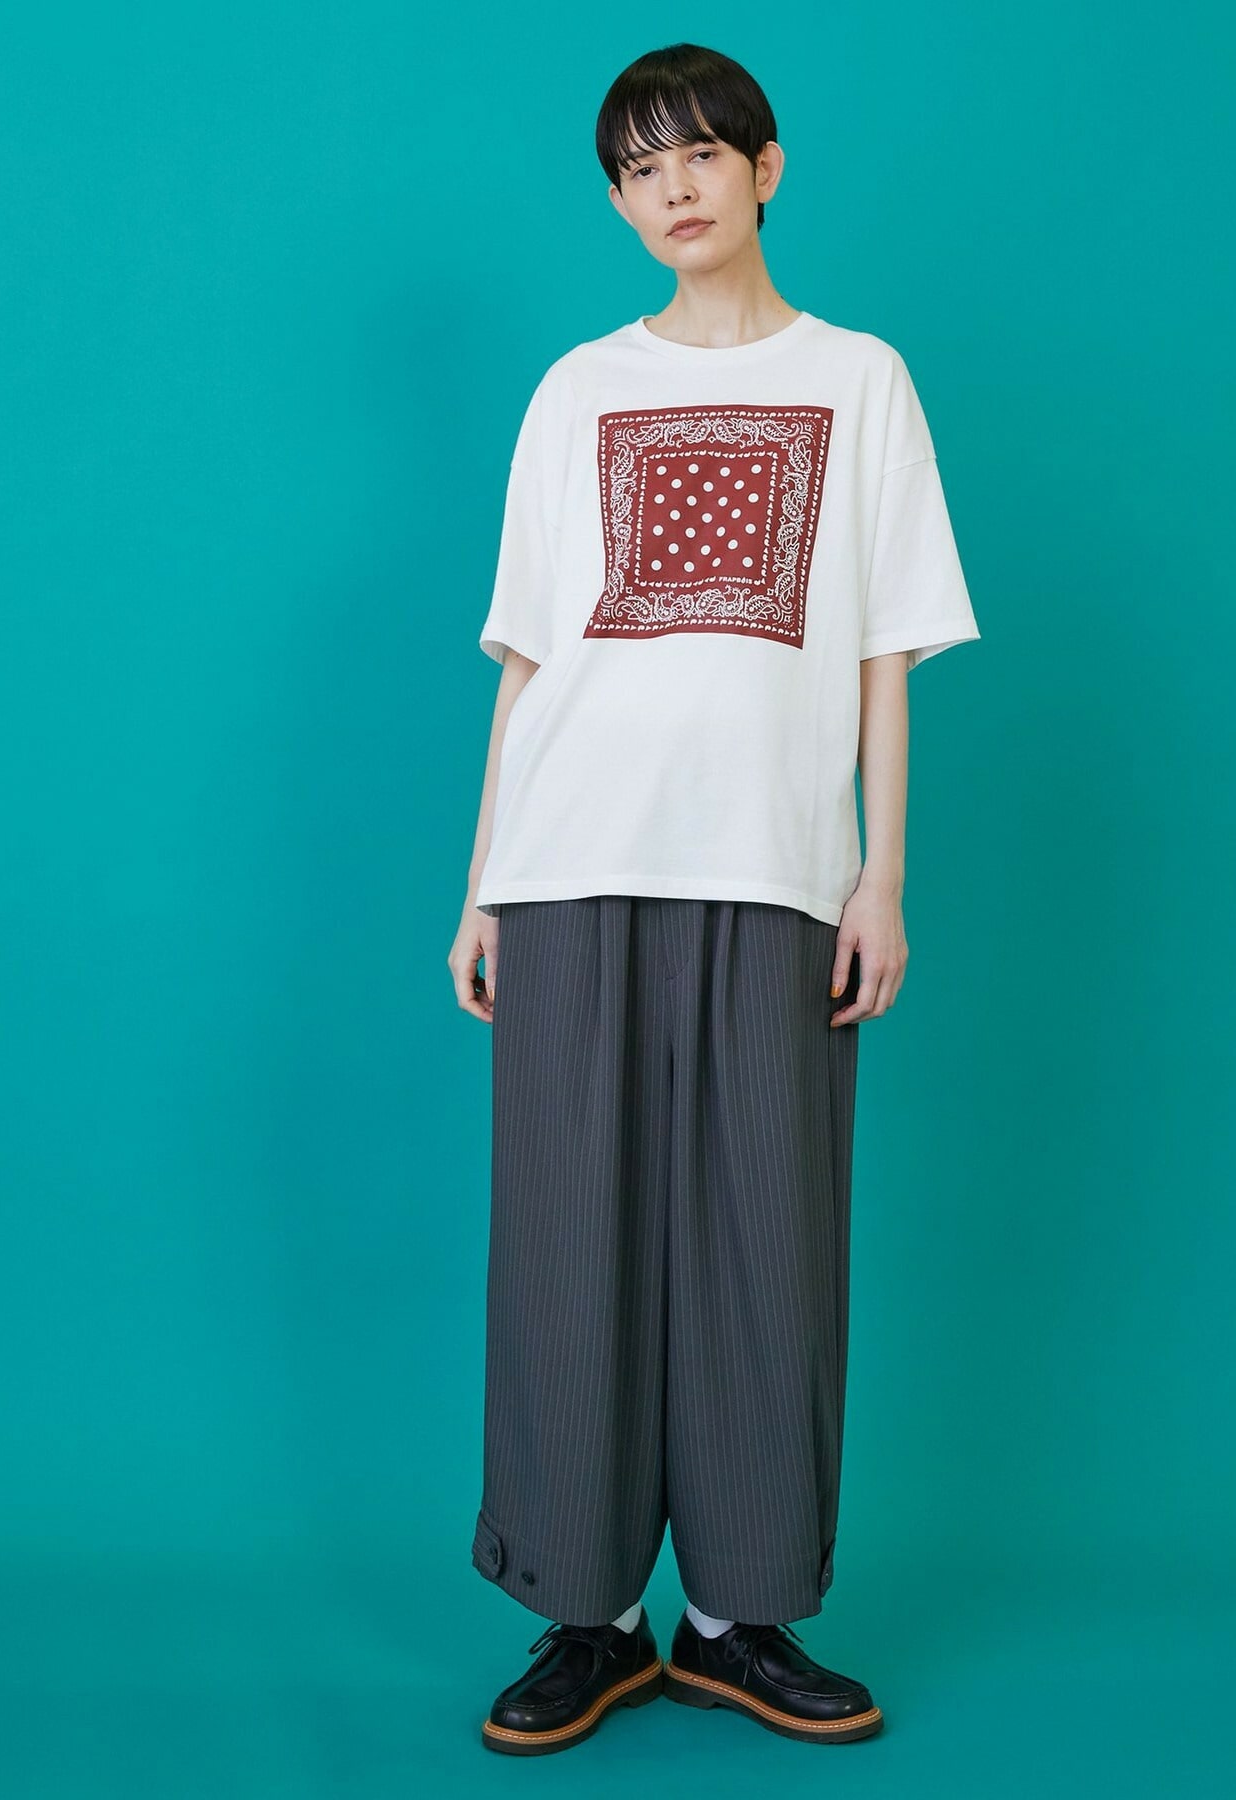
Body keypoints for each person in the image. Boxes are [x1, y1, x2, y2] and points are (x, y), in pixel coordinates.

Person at [447, 42, 980, 1756]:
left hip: (775, 871)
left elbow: (888, 650)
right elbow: (529, 658)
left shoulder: (862, 382)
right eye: (636, 168)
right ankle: (585, 1618)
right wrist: (482, 887)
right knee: (569, 1243)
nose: (670, 189)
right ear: (617, 201)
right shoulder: (575, 390)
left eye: (697, 155)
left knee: (769, 1241)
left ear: (766, 168)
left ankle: (739, 1617)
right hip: (569, 864)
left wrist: (881, 873)